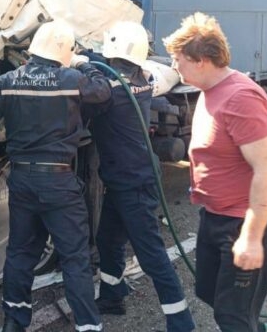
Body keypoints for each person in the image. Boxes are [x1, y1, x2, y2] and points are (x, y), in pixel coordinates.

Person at [0, 20, 110, 332]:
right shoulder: (71, 78)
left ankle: (14, 322)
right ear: (64, 52)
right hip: (59, 182)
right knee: (74, 257)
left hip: (22, 182)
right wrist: (86, 65)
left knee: (20, 253)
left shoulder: (8, 80)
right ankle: (88, 326)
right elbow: (102, 93)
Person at [163, 12, 267, 332]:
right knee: (208, 291)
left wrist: (251, 237)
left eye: (178, 60)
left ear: (202, 59)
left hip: (243, 220)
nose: (175, 67)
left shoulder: (240, 98)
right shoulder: (211, 91)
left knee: (232, 317)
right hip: (217, 215)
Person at [82, 21, 195, 332]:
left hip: (133, 182)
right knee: (107, 239)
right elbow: (110, 67)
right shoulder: (142, 79)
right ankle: (112, 294)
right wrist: (92, 56)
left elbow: (93, 88)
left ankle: (180, 320)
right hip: (125, 179)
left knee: (151, 254)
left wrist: (80, 61)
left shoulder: (111, 93)